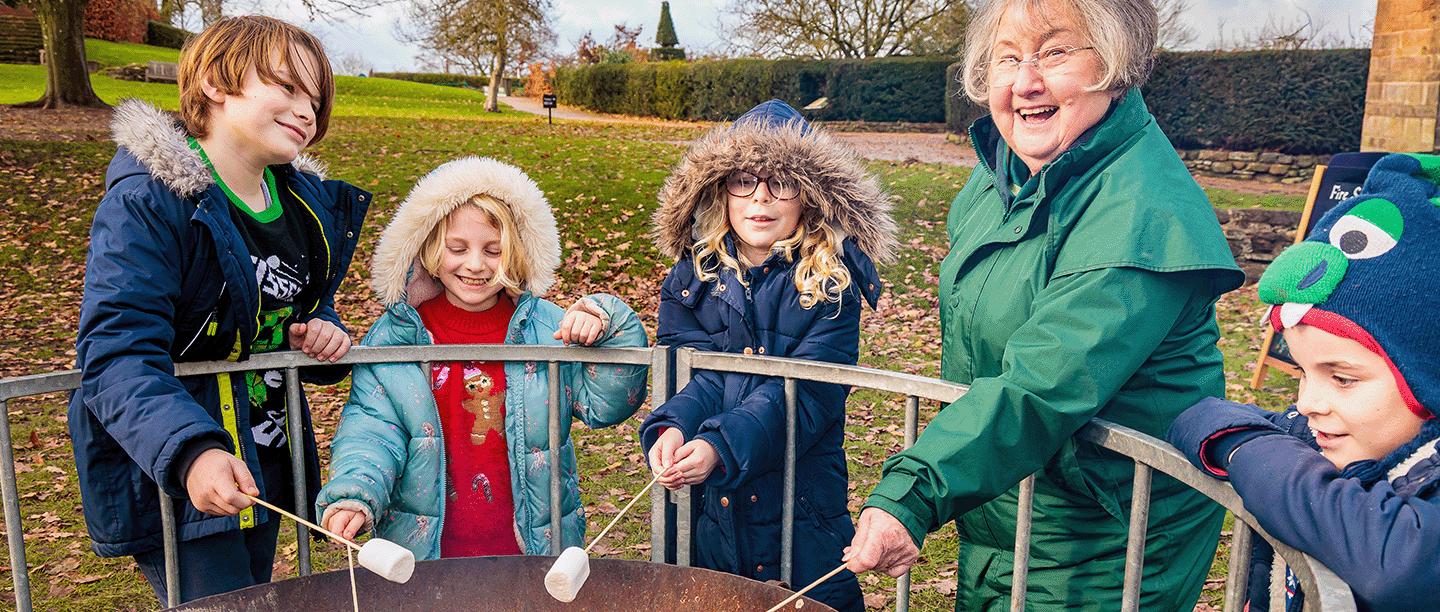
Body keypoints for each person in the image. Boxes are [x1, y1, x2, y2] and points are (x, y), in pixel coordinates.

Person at [841, 0, 1246, 609]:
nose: (1024, 82)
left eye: (1055, 52)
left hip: (1106, 538)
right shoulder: (1004, 176)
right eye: (1007, 58)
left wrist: (916, 490)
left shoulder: (1140, 213)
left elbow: (1043, 381)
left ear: (1115, 63)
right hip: (1014, 497)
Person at [67, 15, 369, 604]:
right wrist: (192, 450)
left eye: (315, 98)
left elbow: (300, 304)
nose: (307, 110)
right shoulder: (149, 202)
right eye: (287, 87)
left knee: (256, 596)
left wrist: (326, 332)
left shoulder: (304, 206)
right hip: (179, 470)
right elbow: (116, 352)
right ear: (213, 82)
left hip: (264, 459)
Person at [315, 156, 649, 559]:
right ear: (428, 250)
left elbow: (607, 404)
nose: (475, 265)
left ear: (517, 252)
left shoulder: (546, 329)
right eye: (457, 248)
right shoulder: (396, 336)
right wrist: (355, 492)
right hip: (424, 556)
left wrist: (608, 324)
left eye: (494, 250)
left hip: (532, 551)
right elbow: (372, 428)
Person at [641, 99, 897, 612]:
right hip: (713, 511)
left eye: (781, 182)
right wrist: (673, 425)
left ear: (809, 196)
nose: (761, 197)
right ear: (720, 191)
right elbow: (696, 376)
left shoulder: (831, 284)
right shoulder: (691, 279)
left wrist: (721, 445)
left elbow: (806, 397)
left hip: (801, 511)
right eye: (743, 180)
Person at [1168, 152, 1440, 612]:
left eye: (1342, 378)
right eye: (1301, 371)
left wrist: (1250, 454)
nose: (1309, 403)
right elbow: (1200, 417)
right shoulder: (1325, 435)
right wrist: (1251, 443)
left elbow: (1400, 565)